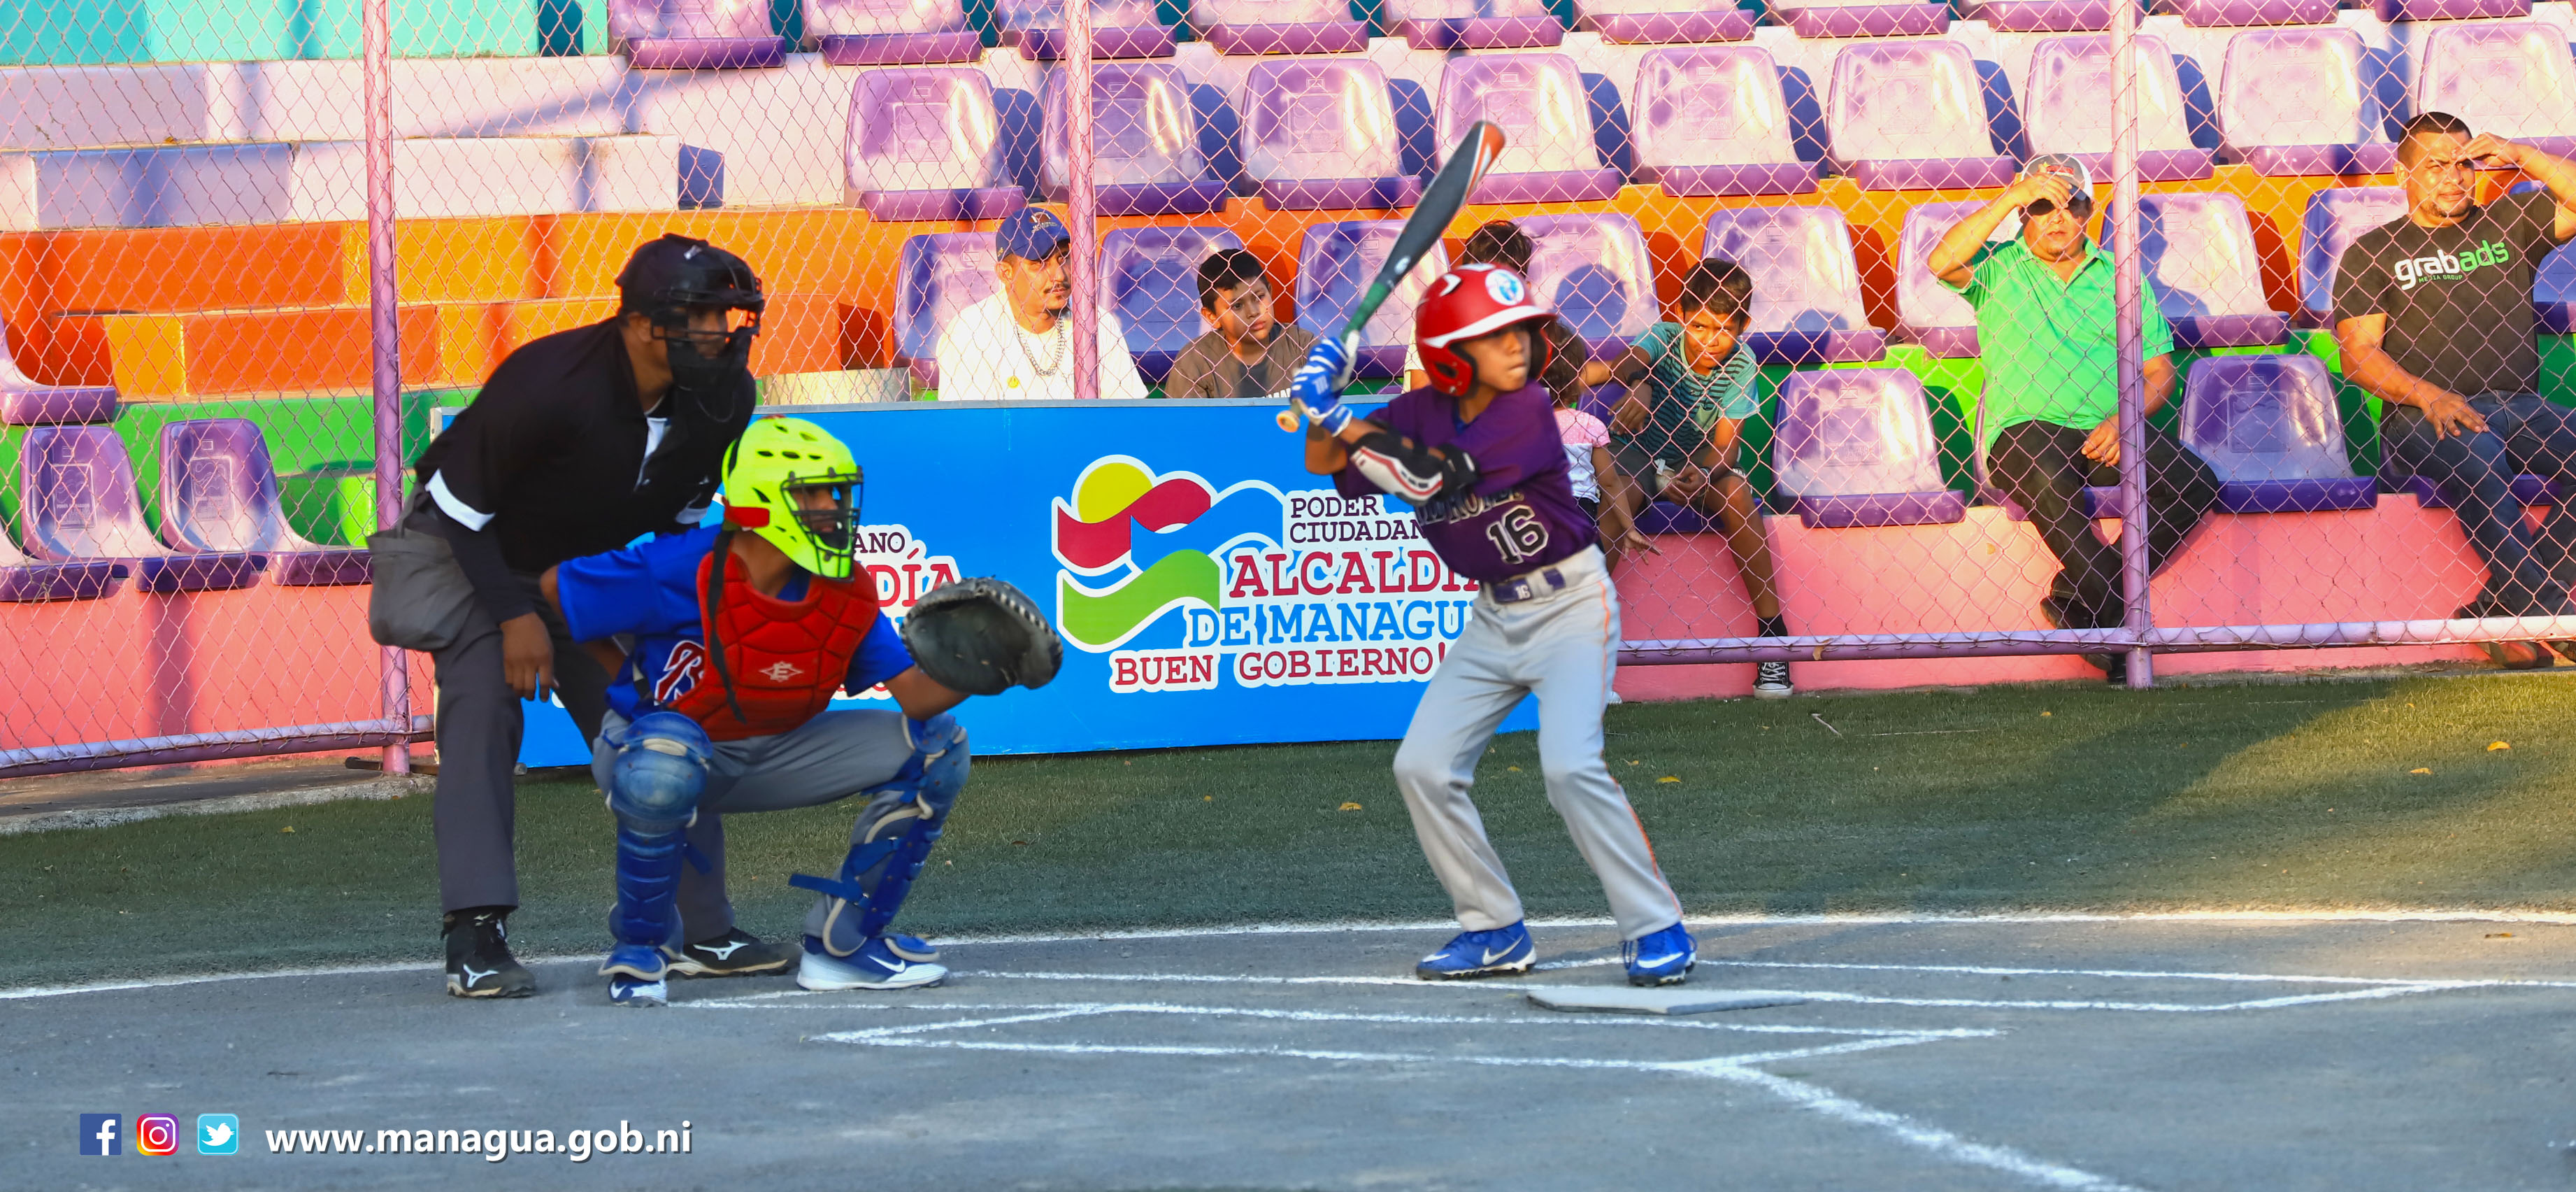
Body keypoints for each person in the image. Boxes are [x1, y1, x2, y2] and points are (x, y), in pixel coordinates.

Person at [541, 416, 1052, 1003]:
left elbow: (916, 697)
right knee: (665, 759)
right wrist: (628, 679)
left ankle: (843, 945)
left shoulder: (841, 587)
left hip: (771, 748)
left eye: (837, 492)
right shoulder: (678, 568)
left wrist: (986, 671)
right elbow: (559, 587)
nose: (832, 506)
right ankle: (641, 953)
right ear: (760, 502)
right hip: (655, 753)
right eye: (812, 493)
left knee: (939, 748)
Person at [1289, 262, 1698, 988]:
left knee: (1570, 766)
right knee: (1423, 766)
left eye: (1522, 332)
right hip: (1492, 618)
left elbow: (1428, 478)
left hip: (1571, 607)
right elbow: (1327, 463)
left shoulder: (1527, 410)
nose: (1519, 345)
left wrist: (1340, 415)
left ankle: (1656, 925)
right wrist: (1322, 401)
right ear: (1450, 350)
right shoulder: (1414, 412)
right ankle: (1493, 928)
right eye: (1495, 335)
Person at [408, 233, 761, 998]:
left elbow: (674, 534)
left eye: (727, 315)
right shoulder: (548, 381)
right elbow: (460, 510)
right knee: (480, 704)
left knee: (665, 716)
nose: (719, 331)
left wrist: (666, 636)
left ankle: (701, 927)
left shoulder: (726, 397)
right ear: (640, 323)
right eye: (700, 315)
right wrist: (515, 616)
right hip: (471, 552)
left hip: (576, 568)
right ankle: (475, 930)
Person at [1925, 153, 2219, 684]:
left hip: (2109, 428)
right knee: (2045, 473)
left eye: (2071, 204)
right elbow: (1940, 262)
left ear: (2088, 212)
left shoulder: (2119, 278)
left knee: (2193, 482)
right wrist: (2010, 197)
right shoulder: (1999, 266)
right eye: (2042, 205)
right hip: (2026, 430)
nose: (2058, 216)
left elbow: (2160, 372)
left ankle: (2079, 598)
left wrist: (2124, 418)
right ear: (2024, 214)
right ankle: (2120, 631)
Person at [2333, 112, 2576, 667]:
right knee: (2479, 452)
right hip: (2421, 417)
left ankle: (2502, 607)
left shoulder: (2510, 221)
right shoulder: (2374, 252)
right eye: (2435, 165)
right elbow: (2359, 357)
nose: (2453, 177)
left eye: (2464, 163)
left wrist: (2521, 154)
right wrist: (2427, 395)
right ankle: (2552, 613)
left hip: (2519, 406)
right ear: (2404, 175)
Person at [1599, 259, 1796, 698]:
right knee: (1617, 497)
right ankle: (1581, 642)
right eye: (1700, 326)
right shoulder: (1664, 337)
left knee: (1737, 492)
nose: (1710, 340)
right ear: (1683, 316)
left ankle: (1773, 638)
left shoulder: (1742, 363)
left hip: (1695, 461)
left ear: (1743, 326)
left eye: (1724, 329)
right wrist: (1640, 383)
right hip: (1637, 453)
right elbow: (1629, 359)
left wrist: (1704, 473)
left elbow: (1727, 447)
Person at [934, 208, 1147, 402]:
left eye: (1063, 258)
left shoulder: (1096, 323)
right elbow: (976, 427)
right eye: (1039, 263)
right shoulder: (970, 332)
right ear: (1006, 273)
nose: (1059, 275)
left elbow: (1128, 413)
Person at [1162, 248, 1317, 400]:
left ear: (1270, 292)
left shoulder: (1300, 345)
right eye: (1237, 306)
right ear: (1212, 316)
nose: (1253, 312)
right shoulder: (1196, 362)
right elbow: (1185, 417)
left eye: (1259, 297)